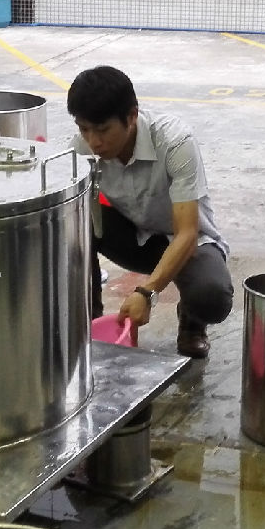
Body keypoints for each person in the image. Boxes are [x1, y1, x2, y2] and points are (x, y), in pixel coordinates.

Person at [68, 66, 234, 359]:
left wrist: (147, 292)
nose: (94, 141)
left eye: (103, 130)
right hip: (133, 237)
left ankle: (193, 321)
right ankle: (90, 324)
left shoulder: (174, 142)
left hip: (185, 242)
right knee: (73, 226)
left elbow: (187, 233)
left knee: (212, 297)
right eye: (84, 129)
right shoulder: (80, 151)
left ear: (131, 116)